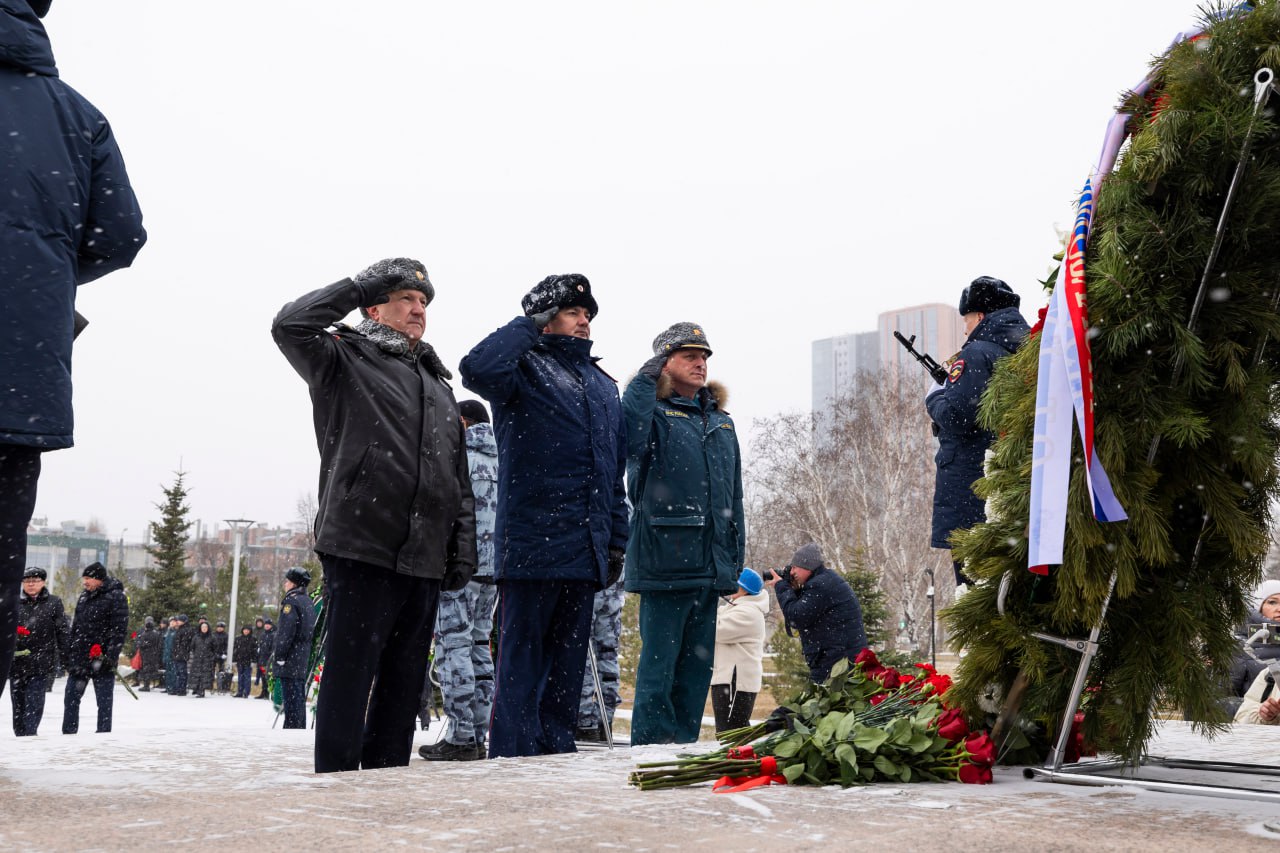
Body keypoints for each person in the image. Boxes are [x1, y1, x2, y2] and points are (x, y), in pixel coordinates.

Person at [273, 258, 476, 771]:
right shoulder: (342, 358)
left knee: (404, 682)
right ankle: (337, 780)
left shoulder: (439, 384)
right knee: (350, 674)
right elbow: (288, 325)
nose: (418, 309)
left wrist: (461, 546)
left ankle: (386, 778)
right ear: (374, 307)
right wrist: (359, 283)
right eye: (406, 298)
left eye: (424, 302)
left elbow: (459, 479)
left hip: (426, 555)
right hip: (361, 540)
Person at [0, 0, 147, 709]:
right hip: (17, 386)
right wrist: (42, 275)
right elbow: (121, 235)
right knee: (1, 572)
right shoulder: (76, 116)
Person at [460, 274, 628, 758]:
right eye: (573, 312)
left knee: (565, 676)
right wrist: (527, 325)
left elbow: (611, 473)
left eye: (588, 315)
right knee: (521, 668)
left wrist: (616, 541)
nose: (584, 322)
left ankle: (556, 757)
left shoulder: (601, 384)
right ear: (545, 318)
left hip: (584, 551)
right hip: (533, 547)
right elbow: (476, 368)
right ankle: (512, 760)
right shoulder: (523, 369)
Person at [623, 322, 745, 745]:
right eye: (689, 355)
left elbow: (735, 500)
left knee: (695, 673)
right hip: (664, 562)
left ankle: (684, 751)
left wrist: (731, 562)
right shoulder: (652, 414)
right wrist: (644, 378)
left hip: (708, 569)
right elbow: (628, 437)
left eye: (704, 356)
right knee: (659, 671)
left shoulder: (722, 424)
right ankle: (651, 754)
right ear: (665, 363)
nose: (700, 363)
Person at [925, 277, 1030, 588]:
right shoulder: (1021, 351)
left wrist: (934, 396)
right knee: (1004, 587)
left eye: (967, 319)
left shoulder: (976, 354)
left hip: (972, 487)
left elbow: (958, 417)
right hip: (1006, 485)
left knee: (973, 588)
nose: (965, 328)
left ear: (980, 316)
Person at [420, 399, 500, 761]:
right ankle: (479, 732)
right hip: (494, 570)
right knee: (480, 645)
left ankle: (461, 735)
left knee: (455, 649)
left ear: (464, 423)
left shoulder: (457, 456)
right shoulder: (504, 457)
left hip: (460, 565)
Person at [769, 544, 867, 683]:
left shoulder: (820, 585)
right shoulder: (825, 580)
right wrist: (795, 591)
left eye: (795, 567)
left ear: (807, 567)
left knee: (822, 702)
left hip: (836, 664)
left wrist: (782, 587)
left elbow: (797, 617)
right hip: (839, 659)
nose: (792, 572)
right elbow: (808, 612)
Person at [62, 562, 129, 734]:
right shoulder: (84, 597)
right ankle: (69, 734)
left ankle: (103, 735)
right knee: (71, 698)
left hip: (102, 660)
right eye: (84, 578)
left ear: (99, 579)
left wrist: (109, 655)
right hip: (80, 658)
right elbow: (76, 627)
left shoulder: (116, 596)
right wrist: (70, 653)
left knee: (104, 702)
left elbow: (118, 630)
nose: (85, 582)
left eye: (88, 578)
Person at [711, 568, 770, 733]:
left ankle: (739, 757)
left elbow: (716, 629)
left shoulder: (748, 613)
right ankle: (738, 757)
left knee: (731, 732)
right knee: (728, 731)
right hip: (729, 679)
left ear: (744, 589)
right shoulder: (736, 607)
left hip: (736, 680)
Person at [11, 567, 68, 735]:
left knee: (34, 702)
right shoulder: (14, 602)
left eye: (34, 581)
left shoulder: (54, 603)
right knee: (18, 704)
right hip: (17, 663)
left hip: (41, 662)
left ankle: (30, 733)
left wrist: (66, 658)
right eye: (27, 581)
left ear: (43, 583)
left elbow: (62, 632)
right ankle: (20, 735)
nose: (30, 584)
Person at [274, 568, 319, 729]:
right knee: (298, 696)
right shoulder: (306, 601)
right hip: (301, 656)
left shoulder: (291, 602)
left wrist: (280, 656)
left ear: (293, 583)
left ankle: (292, 730)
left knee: (291, 698)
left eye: (287, 581)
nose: (285, 584)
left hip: (291, 657)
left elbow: (286, 633)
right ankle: (298, 727)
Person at [189, 621, 218, 698]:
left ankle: (201, 691)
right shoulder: (196, 637)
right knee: (196, 675)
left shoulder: (212, 637)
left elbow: (215, 648)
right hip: (197, 659)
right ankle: (196, 688)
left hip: (207, 660)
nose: (204, 629)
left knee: (204, 676)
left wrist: (211, 656)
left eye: (205, 627)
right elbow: (192, 647)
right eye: (203, 627)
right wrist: (196, 654)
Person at [170, 614, 194, 696]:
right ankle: (177, 688)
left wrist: (180, 653)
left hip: (182, 655)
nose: (177, 622)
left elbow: (184, 644)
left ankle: (182, 689)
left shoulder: (187, 630)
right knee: (177, 673)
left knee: (182, 673)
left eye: (179, 620)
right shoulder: (179, 629)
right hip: (177, 654)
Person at [135, 617, 162, 692]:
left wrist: (140, 645)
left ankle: (146, 686)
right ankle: (148, 684)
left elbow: (141, 644)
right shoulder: (156, 633)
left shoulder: (144, 634)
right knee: (150, 669)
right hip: (154, 654)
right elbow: (159, 644)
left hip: (146, 654)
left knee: (146, 669)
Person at [232, 625, 256, 698]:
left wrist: (254, 661)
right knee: (240, 677)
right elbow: (235, 650)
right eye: (245, 630)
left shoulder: (253, 639)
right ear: (242, 630)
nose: (246, 631)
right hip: (240, 660)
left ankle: (246, 692)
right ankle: (240, 691)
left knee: (247, 677)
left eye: (248, 630)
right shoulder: (238, 639)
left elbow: (255, 651)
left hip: (248, 661)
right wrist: (234, 660)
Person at [255, 618, 275, 699]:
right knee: (263, 677)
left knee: (268, 677)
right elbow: (260, 646)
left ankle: (268, 693)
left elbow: (273, 647)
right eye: (266, 624)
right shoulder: (263, 635)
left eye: (268, 625)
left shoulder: (273, 635)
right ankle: (263, 692)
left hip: (269, 659)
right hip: (262, 658)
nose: (267, 626)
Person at [160, 617, 175, 693]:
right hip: (168, 655)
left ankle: (172, 687)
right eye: (171, 622)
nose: (172, 623)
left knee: (173, 673)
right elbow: (166, 645)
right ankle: (168, 687)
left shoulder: (175, 632)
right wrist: (165, 656)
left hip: (173, 656)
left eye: (173, 622)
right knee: (168, 672)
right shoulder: (168, 632)